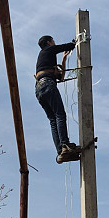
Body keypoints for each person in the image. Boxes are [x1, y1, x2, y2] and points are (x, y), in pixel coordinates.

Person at [35, 35, 78, 163]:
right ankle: (65, 144)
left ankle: (60, 150)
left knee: (53, 119)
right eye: (53, 41)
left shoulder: (45, 60)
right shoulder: (47, 50)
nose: (54, 43)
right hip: (48, 84)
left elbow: (60, 77)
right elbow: (66, 46)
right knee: (60, 115)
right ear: (49, 43)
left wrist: (63, 60)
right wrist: (74, 42)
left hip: (39, 88)